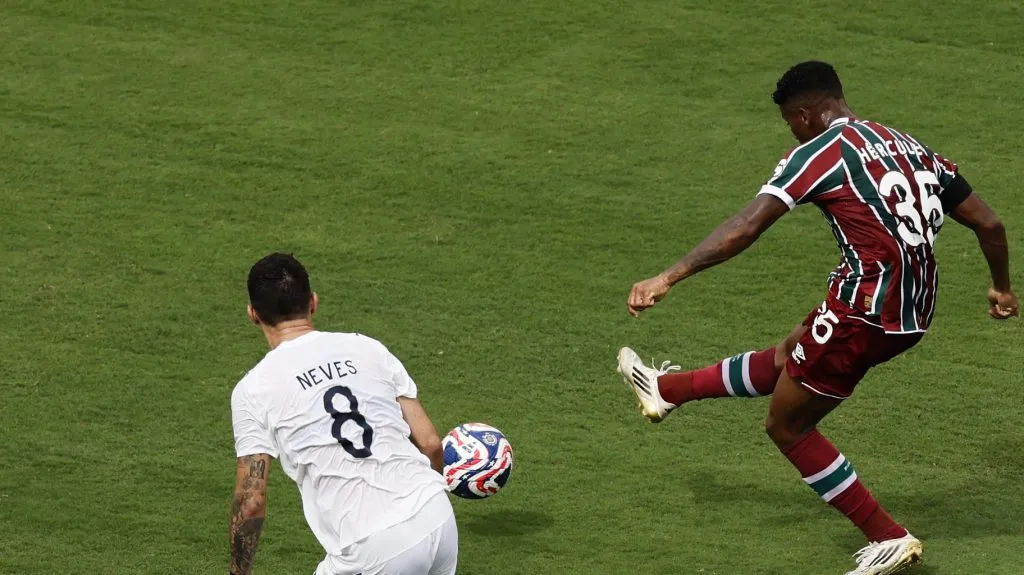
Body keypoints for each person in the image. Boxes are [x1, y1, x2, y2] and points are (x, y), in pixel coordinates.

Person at [617, 61, 1018, 575]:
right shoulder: (904, 144)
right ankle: (666, 390)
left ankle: (889, 538)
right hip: (912, 309)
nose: (791, 131)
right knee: (793, 352)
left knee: (788, 426)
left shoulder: (820, 153)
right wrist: (1001, 288)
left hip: (866, 310)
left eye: (789, 122)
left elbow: (745, 226)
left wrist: (668, 277)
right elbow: (989, 222)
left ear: (805, 114)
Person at [229, 253, 457, 575]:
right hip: (436, 514)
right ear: (313, 302)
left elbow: (251, 501)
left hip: (372, 545)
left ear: (253, 314)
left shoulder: (253, 390)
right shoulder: (368, 348)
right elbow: (432, 443)